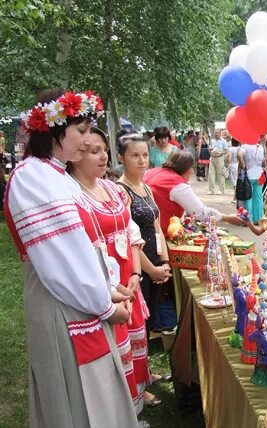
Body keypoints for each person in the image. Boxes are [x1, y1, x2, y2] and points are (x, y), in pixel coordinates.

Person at [4, 88, 137, 427]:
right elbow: (61, 258)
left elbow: (79, 248)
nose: (85, 139)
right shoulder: (34, 177)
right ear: (52, 130)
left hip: (79, 296)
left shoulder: (54, 174)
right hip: (63, 302)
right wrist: (105, 303)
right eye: (79, 131)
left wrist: (106, 287)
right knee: (75, 398)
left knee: (92, 392)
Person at [69, 127, 154, 414]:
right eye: (94, 151)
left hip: (128, 276)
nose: (103, 156)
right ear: (75, 155)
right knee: (116, 343)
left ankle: (138, 399)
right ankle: (122, 409)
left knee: (133, 334)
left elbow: (131, 230)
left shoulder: (113, 189)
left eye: (104, 149)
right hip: (105, 282)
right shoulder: (70, 195)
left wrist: (135, 273)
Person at [116, 133, 173, 334]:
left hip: (155, 263)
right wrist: (150, 270)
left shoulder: (146, 188)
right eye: (135, 156)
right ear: (121, 157)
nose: (142, 161)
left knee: (149, 319)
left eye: (145, 155)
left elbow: (157, 227)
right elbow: (129, 237)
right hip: (138, 267)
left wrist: (164, 262)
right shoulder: (120, 191)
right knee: (137, 322)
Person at [143, 150, 244, 236]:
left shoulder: (154, 171)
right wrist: (227, 218)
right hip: (159, 233)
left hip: (145, 228)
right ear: (184, 168)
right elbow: (200, 212)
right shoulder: (177, 184)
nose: (192, 171)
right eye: (190, 168)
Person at [238, 141, 266, 223]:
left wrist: (243, 165)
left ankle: (248, 220)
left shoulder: (245, 146)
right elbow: (264, 162)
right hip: (260, 175)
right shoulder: (260, 147)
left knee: (248, 197)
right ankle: (258, 219)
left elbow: (239, 155)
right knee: (258, 197)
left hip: (249, 175)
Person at [207, 129, 228, 195]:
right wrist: (210, 150)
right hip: (212, 158)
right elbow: (210, 148)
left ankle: (221, 190)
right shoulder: (212, 140)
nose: (216, 134)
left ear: (220, 134)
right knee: (211, 174)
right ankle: (211, 190)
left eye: (218, 133)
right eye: (215, 133)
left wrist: (221, 154)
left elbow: (226, 151)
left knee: (220, 175)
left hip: (220, 158)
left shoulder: (223, 141)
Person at [228, 138, 242, 205]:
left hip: (232, 166)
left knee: (235, 183)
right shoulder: (240, 148)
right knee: (237, 181)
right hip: (238, 165)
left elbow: (229, 158)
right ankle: (235, 198)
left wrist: (227, 163)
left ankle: (235, 198)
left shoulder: (230, 149)